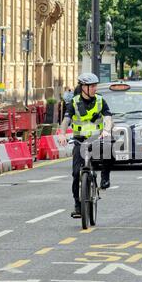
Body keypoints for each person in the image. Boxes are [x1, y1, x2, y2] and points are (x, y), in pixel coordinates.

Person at [58, 73, 113, 218]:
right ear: (84, 87)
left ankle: (105, 177)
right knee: (76, 174)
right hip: (80, 141)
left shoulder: (101, 101)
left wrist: (106, 130)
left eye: (95, 85)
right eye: (92, 86)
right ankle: (78, 205)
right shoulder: (74, 103)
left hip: (97, 139)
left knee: (108, 149)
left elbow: (108, 118)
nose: (95, 88)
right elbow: (66, 120)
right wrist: (62, 133)